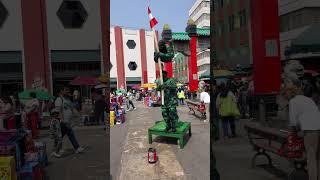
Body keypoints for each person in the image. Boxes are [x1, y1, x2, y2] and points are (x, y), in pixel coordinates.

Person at [282, 84, 320, 180]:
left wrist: (293, 134)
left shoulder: (293, 101)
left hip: (311, 129)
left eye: (284, 95)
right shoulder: (308, 99)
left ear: (288, 93)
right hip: (317, 125)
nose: (285, 97)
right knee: (318, 157)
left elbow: (293, 122)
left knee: (311, 158)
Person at [55, 87, 84, 154]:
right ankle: (76, 148)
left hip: (68, 121)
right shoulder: (59, 100)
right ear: (61, 91)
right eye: (66, 90)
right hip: (63, 122)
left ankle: (57, 149)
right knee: (69, 134)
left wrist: (78, 116)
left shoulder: (68, 100)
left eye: (68, 90)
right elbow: (58, 111)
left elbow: (72, 109)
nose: (68, 92)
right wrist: (62, 120)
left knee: (61, 136)